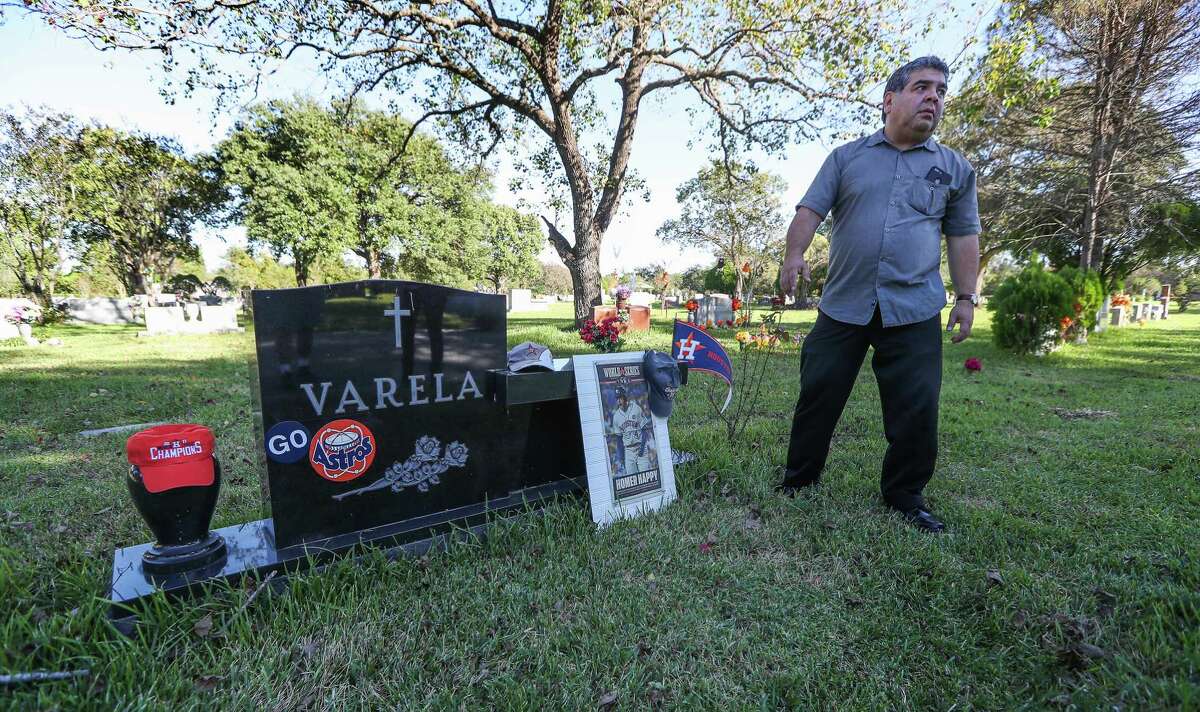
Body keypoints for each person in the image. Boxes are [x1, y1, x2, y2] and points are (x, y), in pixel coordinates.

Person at [777, 56, 981, 533]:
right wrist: (793, 254)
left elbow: (964, 235)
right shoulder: (847, 158)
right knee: (819, 393)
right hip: (844, 304)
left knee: (916, 405)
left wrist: (967, 297)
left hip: (913, 307)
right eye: (923, 88)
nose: (934, 97)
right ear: (890, 100)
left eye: (941, 91)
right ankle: (800, 480)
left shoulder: (954, 168)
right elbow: (810, 209)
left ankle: (905, 495)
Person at [609, 389, 648, 476]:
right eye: (617, 398)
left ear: (625, 397)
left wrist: (642, 448)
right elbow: (619, 440)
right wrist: (621, 457)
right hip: (628, 451)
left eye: (620, 397)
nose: (618, 400)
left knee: (645, 476)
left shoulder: (636, 408)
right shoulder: (616, 416)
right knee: (632, 479)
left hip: (640, 446)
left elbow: (645, 430)